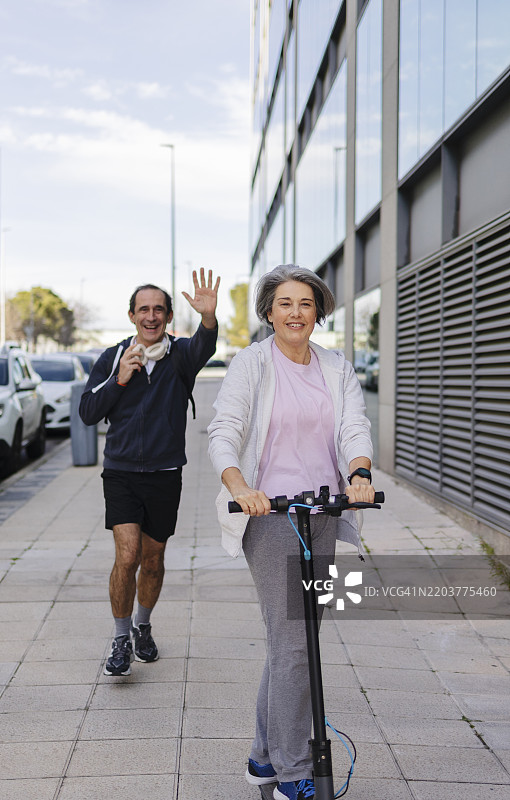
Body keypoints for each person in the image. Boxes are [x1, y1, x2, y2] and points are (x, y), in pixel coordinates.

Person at [208, 265, 374, 800]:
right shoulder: (251, 364)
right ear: (268, 312)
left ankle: (263, 758)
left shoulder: (336, 366)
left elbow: (353, 426)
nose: (295, 313)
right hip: (269, 515)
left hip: (322, 512)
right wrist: (239, 487)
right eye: (284, 303)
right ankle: (294, 772)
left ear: (318, 311)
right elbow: (224, 431)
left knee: (295, 643)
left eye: (305, 303)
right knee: (295, 644)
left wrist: (361, 472)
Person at [80, 269, 220, 676]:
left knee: (153, 559)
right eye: (144, 309)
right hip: (121, 473)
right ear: (131, 315)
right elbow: (89, 412)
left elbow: (205, 343)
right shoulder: (113, 357)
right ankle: (121, 639)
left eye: (159, 309)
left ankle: (143, 626)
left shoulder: (181, 356)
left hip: (164, 473)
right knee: (127, 556)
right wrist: (119, 380)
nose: (151, 315)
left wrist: (207, 318)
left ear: (169, 316)